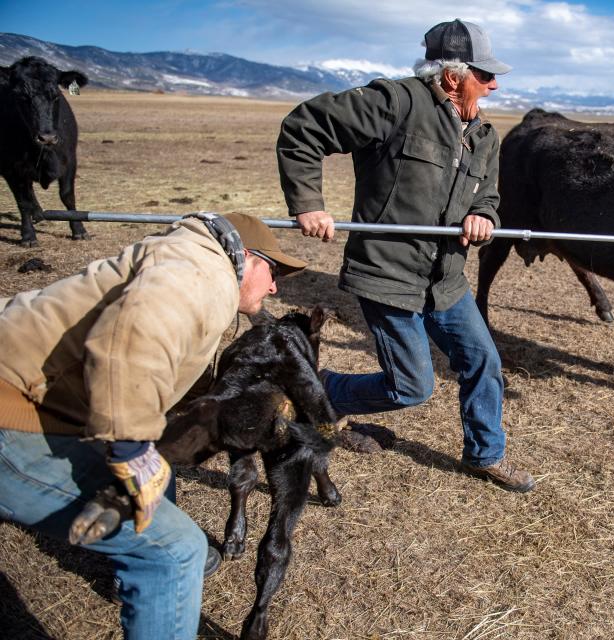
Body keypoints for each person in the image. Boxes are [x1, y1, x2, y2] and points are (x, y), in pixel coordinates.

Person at [0, 213, 306, 639]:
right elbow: (132, 336)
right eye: (273, 273)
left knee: (160, 456)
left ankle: (139, 557)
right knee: (176, 552)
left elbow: (181, 382)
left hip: (38, 392)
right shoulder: (205, 274)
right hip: (12, 405)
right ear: (248, 259)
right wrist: (130, 451)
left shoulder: (191, 263)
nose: (274, 287)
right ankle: (152, 561)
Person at [277, 19, 534, 492]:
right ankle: (322, 389)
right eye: (485, 74)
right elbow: (304, 127)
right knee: (412, 387)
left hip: (447, 279)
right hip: (388, 275)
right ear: (454, 76)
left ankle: (485, 454)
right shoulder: (395, 103)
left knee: (483, 362)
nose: (495, 84)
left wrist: (485, 217)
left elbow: (488, 196)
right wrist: (308, 203)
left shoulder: (483, 135)